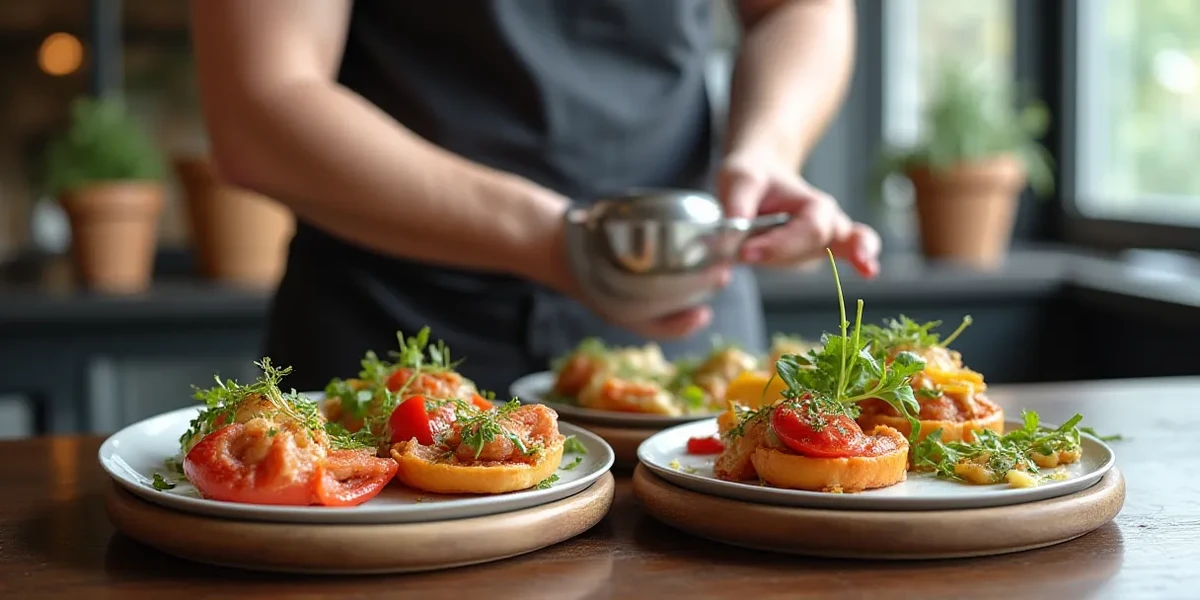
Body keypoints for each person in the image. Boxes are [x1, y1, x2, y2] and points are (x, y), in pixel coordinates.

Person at [189, 0, 881, 394]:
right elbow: (260, 101)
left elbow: (797, 9)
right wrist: (559, 242)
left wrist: (766, 150)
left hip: (682, 312)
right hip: (393, 331)